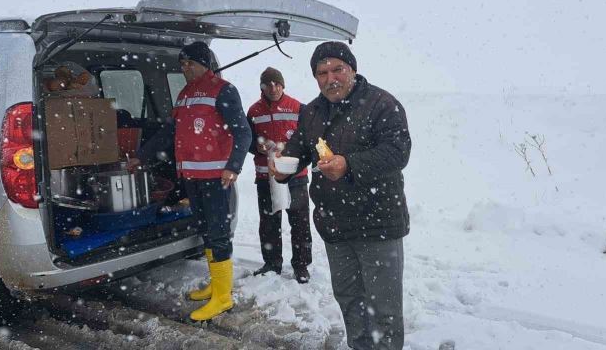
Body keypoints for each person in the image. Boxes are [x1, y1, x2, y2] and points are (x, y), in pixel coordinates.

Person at [270, 42, 411, 349]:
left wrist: (349, 164)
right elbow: (298, 149)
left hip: (378, 224)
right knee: (350, 301)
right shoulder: (312, 112)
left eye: (337, 69)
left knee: (383, 309)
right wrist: (283, 164)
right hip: (335, 226)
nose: (330, 78)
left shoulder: (382, 104)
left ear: (353, 70)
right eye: (322, 72)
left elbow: (398, 152)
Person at [129, 41, 251, 321]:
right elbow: (169, 133)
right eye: (182, 64)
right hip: (192, 176)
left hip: (216, 177)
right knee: (205, 229)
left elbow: (243, 133)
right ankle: (215, 284)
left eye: (189, 63)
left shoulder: (224, 90)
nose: (184, 68)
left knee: (218, 232)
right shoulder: (184, 94)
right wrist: (143, 156)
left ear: (203, 64)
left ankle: (223, 296)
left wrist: (233, 167)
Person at [247, 67, 312, 283]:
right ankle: (272, 263)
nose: (273, 88)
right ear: (262, 87)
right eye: (268, 84)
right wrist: (259, 146)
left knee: (300, 223)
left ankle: (301, 266)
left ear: (283, 85)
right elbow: (247, 140)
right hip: (266, 176)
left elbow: (307, 141)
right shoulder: (254, 112)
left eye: (277, 83)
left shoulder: (298, 107)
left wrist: (290, 150)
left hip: (295, 176)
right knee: (268, 222)